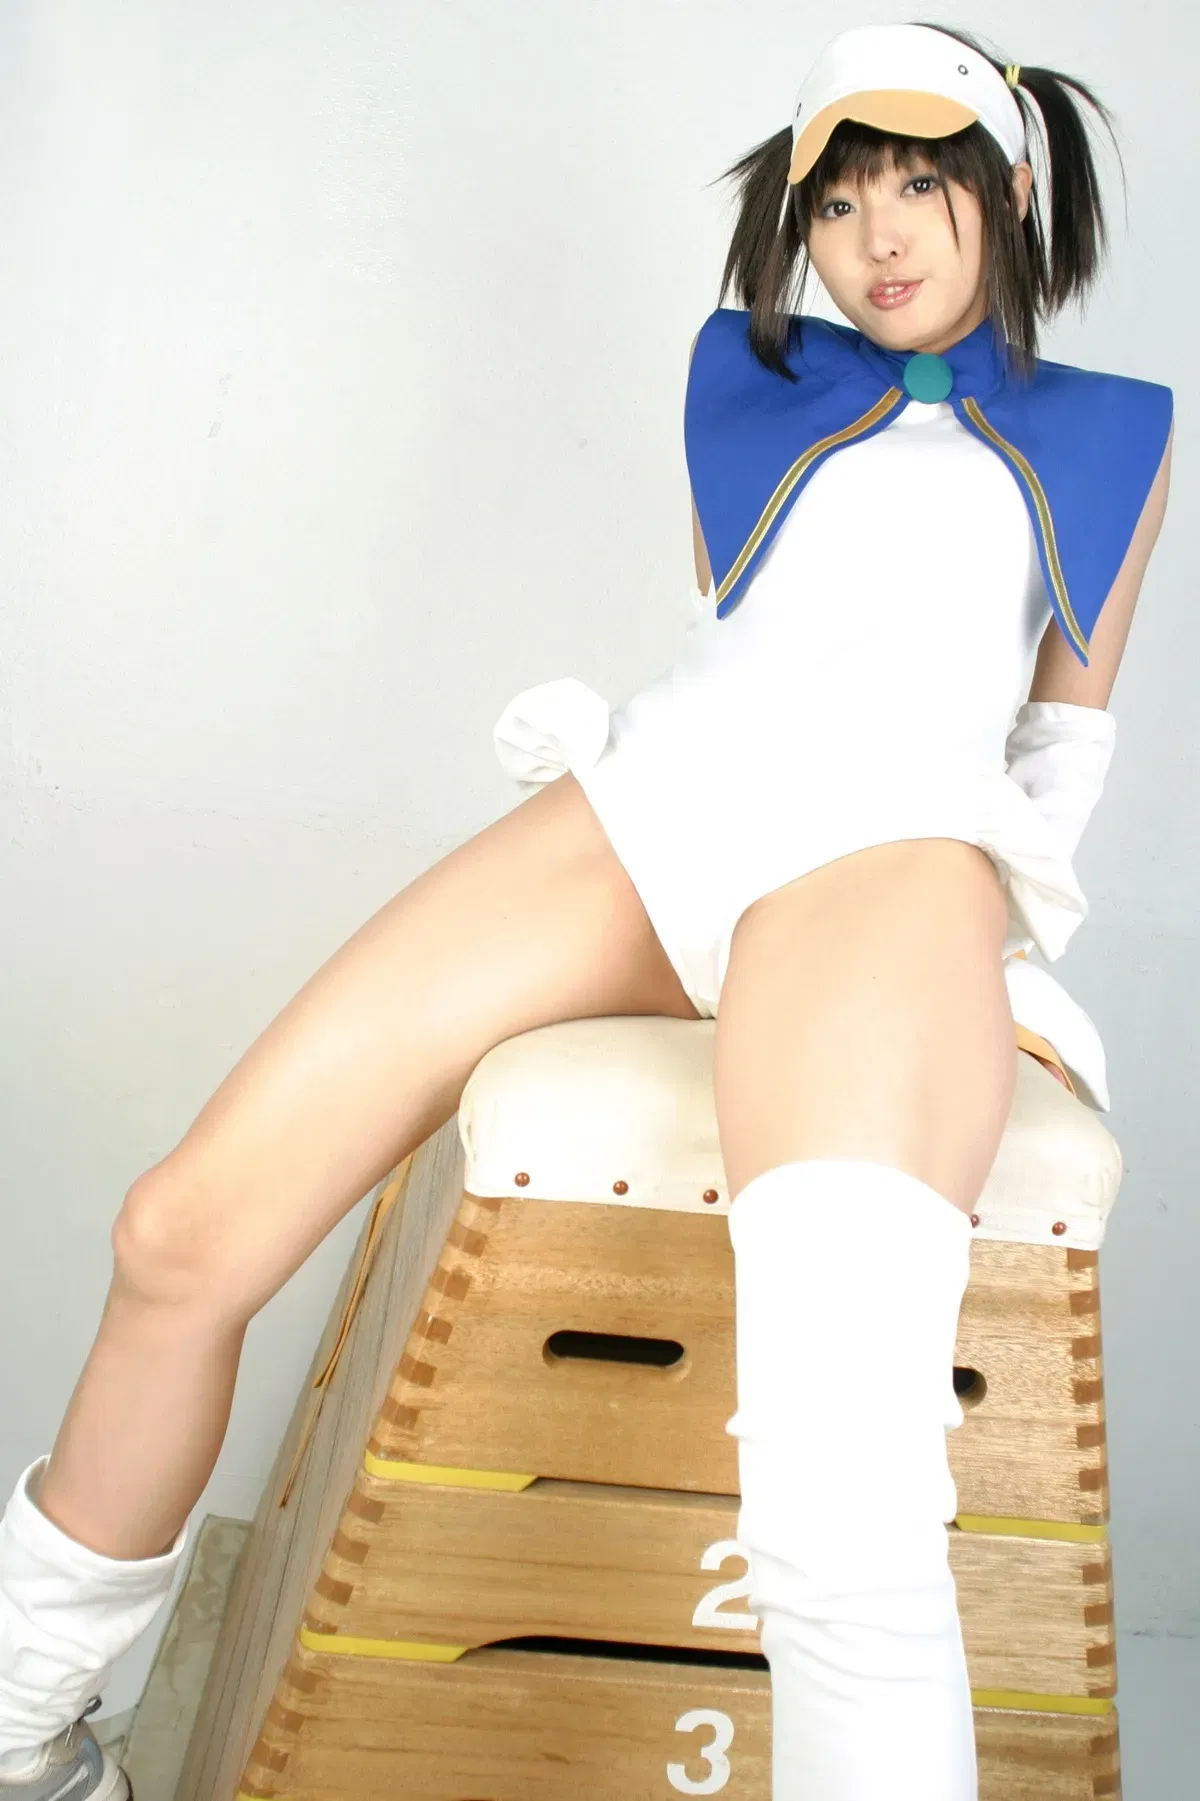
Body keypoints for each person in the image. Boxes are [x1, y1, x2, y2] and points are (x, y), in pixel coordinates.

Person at [0, 18, 1173, 1801]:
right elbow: (748, 634)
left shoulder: (1113, 435)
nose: (877, 236)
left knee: (840, 1511)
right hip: (658, 807)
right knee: (177, 1236)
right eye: (839, 199)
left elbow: (1061, 741)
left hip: (888, 860)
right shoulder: (751, 380)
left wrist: (983, 965)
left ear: (1010, 192)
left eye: (922, 185)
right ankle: (29, 1743)